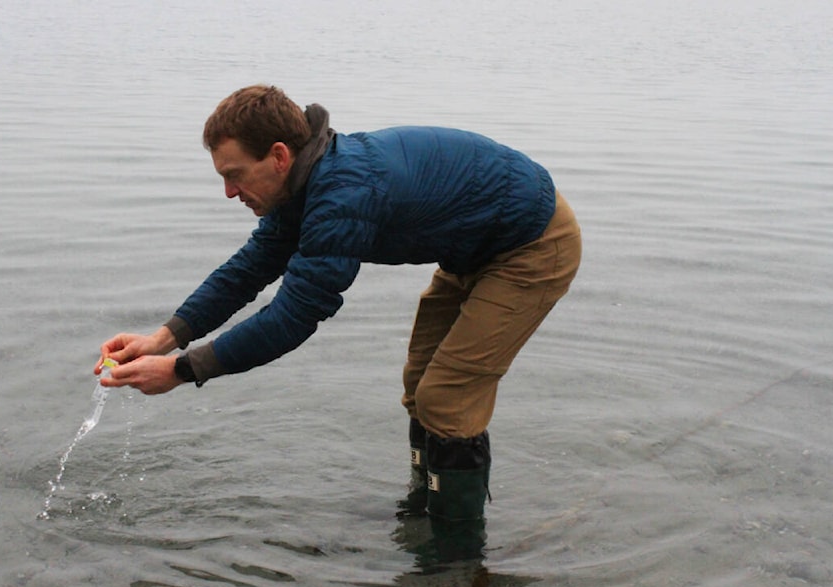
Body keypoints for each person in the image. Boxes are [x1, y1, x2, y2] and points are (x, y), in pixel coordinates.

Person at [95, 85, 581, 524]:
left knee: (447, 397)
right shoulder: (305, 184)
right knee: (420, 385)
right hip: (473, 250)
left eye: (235, 175)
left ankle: (454, 555)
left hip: (530, 245)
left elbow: (293, 316)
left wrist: (181, 371)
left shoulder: (344, 196)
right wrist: (164, 337)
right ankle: (424, 505)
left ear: (279, 155)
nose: (228, 192)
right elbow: (251, 267)